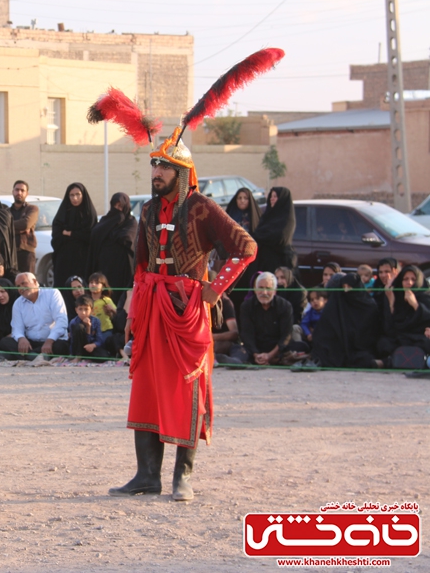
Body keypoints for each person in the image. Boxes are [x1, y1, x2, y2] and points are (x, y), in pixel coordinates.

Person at [108, 127, 257, 502]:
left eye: (164, 167)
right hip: (151, 306)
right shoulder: (146, 209)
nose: (156, 172)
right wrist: (132, 311)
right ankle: (146, 476)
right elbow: (141, 266)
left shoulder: (203, 207)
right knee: (146, 388)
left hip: (186, 311)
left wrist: (214, 289)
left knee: (187, 389)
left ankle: (182, 478)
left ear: (183, 171)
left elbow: (246, 247)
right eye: (154, 165)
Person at [309, 273, 382, 369]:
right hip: (339, 348)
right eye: (344, 287)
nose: (346, 290)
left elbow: (371, 333)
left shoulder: (368, 306)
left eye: (350, 286)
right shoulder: (338, 303)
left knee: (364, 358)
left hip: (361, 348)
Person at [238, 272, 308, 365]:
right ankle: (265, 360)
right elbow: (247, 334)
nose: (264, 292)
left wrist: (270, 355)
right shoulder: (246, 306)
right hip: (255, 348)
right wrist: (256, 354)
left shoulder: (285, 306)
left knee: (302, 346)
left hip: (277, 348)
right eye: (261, 288)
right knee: (238, 350)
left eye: (268, 288)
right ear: (255, 289)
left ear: (275, 290)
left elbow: (286, 336)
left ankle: (274, 359)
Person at [0, 272, 70, 360]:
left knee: (60, 346)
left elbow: (61, 321)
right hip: (31, 343)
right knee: (4, 342)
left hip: (52, 341)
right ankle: (36, 356)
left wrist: (50, 341)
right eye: (18, 286)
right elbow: (16, 328)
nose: (21, 288)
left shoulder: (52, 294)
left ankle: (27, 356)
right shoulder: (18, 303)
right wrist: (21, 339)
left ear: (35, 282)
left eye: (24, 283)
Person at [88, 192, 137, 306]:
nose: (118, 209)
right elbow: (96, 234)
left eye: (120, 206)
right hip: (104, 267)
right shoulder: (106, 220)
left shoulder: (131, 222)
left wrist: (109, 234)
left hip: (123, 269)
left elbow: (127, 238)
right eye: (115, 206)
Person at [52, 183, 97, 303]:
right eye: (71, 195)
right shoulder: (63, 213)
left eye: (78, 194)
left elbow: (90, 236)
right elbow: (56, 236)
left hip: (83, 259)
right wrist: (77, 235)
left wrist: (70, 234)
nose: (75, 198)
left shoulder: (89, 214)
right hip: (64, 259)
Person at [376, 265, 430, 360]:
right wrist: (391, 303)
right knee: (384, 342)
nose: (409, 282)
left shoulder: (425, 298)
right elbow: (389, 328)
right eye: (405, 279)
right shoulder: (395, 296)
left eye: (413, 279)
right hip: (400, 337)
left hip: (420, 338)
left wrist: (415, 305)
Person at [249, 186, 296, 277]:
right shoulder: (267, 216)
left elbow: (281, 237)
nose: (272, 199)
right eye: (271, 196)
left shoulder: (287, 218)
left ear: (282, 199)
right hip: (262, 261)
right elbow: (258, 232)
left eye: (275, 196)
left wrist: (260, 237)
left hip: (278, 261)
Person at [9, 180, 39, 274]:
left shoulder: (32, 209)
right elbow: (3, 227)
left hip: (26, 252)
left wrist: (10, 226)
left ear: (27, 193)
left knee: (27, 282)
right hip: (10, 252)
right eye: (17, 190)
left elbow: (26, 224)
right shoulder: (6, 211)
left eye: (22, 190)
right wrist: (22, 229)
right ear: (13, 191)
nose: (19, 193)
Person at [69, 294, 109, 361]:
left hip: (90, 347)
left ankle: (88, 357)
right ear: (76, 310)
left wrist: (92, 345)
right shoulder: (73, 322)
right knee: (79, 327)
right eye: (80, 309)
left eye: (86, 309)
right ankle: (78, 356)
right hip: (78, 347)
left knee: (103, 356)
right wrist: (88, 327)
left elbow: (99, 340)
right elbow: (73, 341)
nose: (83, 313)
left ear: (91, 310)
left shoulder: (96, 321)